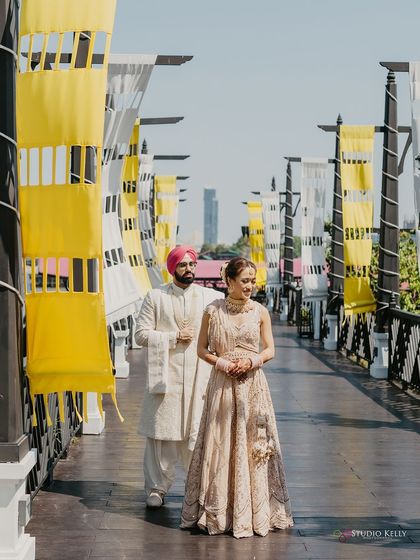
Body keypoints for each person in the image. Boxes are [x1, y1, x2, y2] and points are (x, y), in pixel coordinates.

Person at [181, 256, 294, 538]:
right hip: (222, 384)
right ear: (228, 281)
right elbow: (202, 349)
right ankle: (220, 513)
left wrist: (253, 361)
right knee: (220, 443)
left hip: (253, 386)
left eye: (253, 281)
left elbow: (270, 349)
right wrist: (222, 364)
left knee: (254, 446)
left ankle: (255, 512)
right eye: (244, 281)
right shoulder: (212, 311)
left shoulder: (260, 311)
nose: (250, 286)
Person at [135, 246, 221, 508]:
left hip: (199, 374)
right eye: (182, 265)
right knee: (161, 433)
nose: (189, 269)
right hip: (167, 375)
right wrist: (173, 338)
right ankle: (156, 488)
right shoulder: (155, 296)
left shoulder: (212, 297)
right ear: (172, 268)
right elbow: (140, 335)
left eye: (192, 264)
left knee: (199, 432)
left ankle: (199, 487)